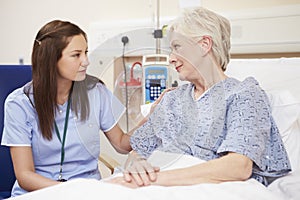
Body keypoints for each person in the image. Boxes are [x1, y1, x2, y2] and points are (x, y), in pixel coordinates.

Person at [109, 7, 291, 188]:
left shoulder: (244, 93)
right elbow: (136, 152)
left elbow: (238, 167)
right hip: (149, 184)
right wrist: (139, 166)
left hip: (200, 187)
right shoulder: (171, 100)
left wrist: (154, 179)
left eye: (177, 47)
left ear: (204, 44)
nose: (171, 59)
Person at [1, 20, 151, 197]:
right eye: (76, 55)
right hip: (38, 193)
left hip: (87, 192)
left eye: (86, 52)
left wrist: (152, 117)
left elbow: (122, 144)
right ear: (51, 59)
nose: (86, 61)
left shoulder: (97, 91)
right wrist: (70, 192)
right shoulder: (19, 103)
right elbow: (25, 175)